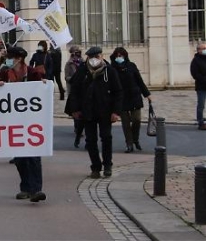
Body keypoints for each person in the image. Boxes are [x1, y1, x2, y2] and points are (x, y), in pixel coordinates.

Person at [0, 46, 47, 203]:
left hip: (31, 120)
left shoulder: (32, 72)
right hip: (13, 121)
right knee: (20, 157)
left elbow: (40, 92)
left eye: (10, 57)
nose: (8, 60)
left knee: (33, 155)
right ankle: (25, 187)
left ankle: (36, 189)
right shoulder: (5, 72)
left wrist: (43, 85)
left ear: (18, 58)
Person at [68, 46, 123, 178]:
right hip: (88, 112)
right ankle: (95, 167)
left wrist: (116, 112)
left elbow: (118, 92)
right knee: (90, 140)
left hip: (105, 111)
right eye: (91, 57)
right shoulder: (82, 71)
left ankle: (108, 165)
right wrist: (74, 109)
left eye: (97, 57)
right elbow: (74, 91)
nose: (94, 60)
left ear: (102, 56)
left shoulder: (109, 71)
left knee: (106, 138)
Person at [110, 47, 152, 152]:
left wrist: (147, 94)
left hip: (134, 96)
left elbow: (139, 81)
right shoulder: (112, 68)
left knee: (136, 120)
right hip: (122, 98)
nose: (119, 57)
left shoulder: (131, 66)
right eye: (117, 56)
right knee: (126, 122)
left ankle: (135, 139)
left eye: (121, 55)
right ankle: (129, 143)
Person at [64, 45, 85, 148]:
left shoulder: (83, 62)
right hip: (73, 89)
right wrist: (73, 79)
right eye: (75, 52)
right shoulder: (69, 64)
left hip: (83, 88)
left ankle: (80, 127)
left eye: (78, 51)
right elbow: (66, 76)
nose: (77, 53)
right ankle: (77, 128)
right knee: (75, 109)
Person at [190, 42, 206, 130]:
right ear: (199, 50)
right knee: (201, 105)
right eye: (203, 48)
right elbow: (195, 74)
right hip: (201, 87)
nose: (205, 50)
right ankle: (200, 122)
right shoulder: (195, 60)